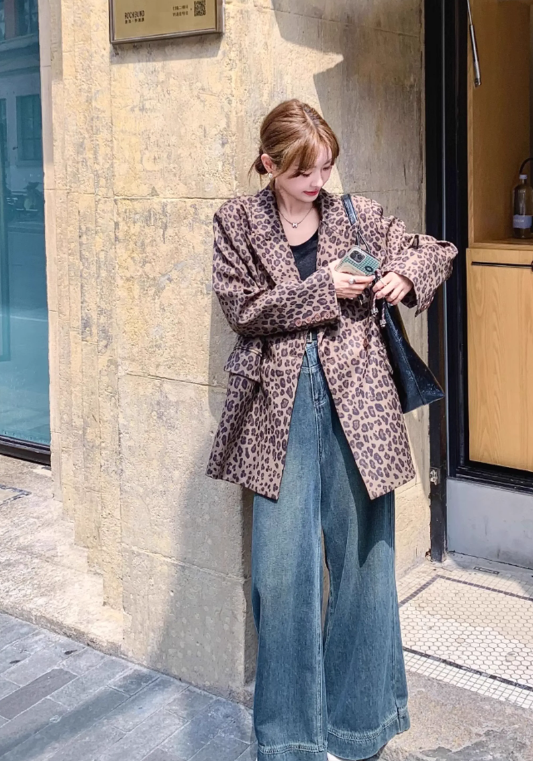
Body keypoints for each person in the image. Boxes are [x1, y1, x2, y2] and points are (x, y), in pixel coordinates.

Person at [206, 99, 457, 761]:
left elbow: (436, 249)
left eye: (324, 168)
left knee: (363, 567)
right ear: (268, 163)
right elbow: (243, 309)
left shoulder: (356, 214)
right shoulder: (237, 220)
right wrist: (326, 288)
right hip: (278, 411)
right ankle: (288, 737)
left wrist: (404, 273)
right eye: (302, 173)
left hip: (360, 406)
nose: (317, 183)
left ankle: (359, 727)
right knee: (282, 576)